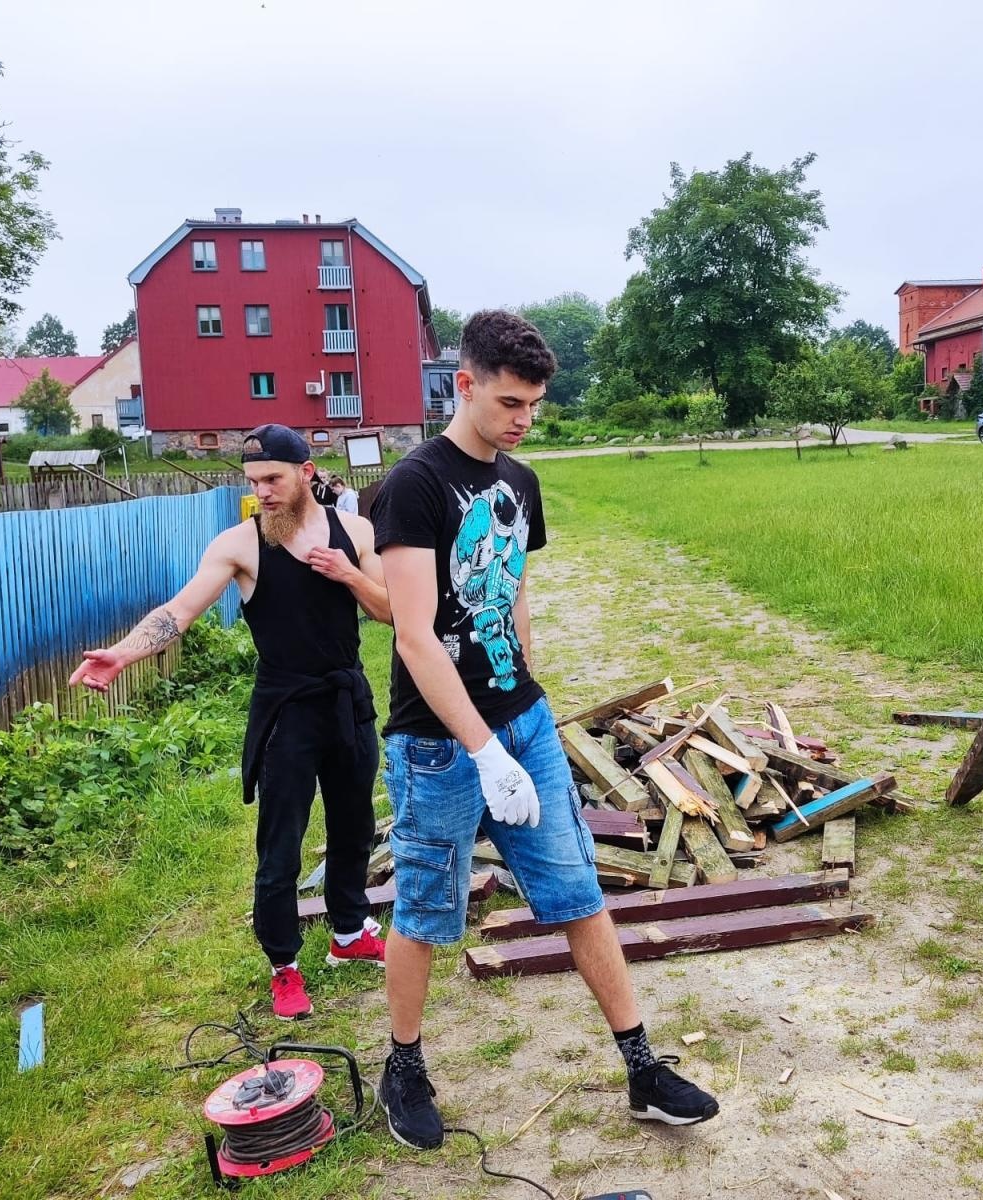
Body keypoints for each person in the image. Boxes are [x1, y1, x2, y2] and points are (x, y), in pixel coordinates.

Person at [371, 310, 719, 1150]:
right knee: (425, 911)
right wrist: (483, 752)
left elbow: (515, 584)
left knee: (577, 895)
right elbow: (414, 637)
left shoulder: (520, 482)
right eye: (510, 401)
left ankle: (641, 1067)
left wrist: (523, 677)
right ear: (465, 384)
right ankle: (404, 1066)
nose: (524, 418)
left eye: (534, 404)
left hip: (521, 723)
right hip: (437, 747)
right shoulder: (412, 486)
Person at [69, 424, 392, 1018]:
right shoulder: (239, 545)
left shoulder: (358, 532)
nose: (262, 492)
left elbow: (392, 609)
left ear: (306, 473)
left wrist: (348, 573)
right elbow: (180, 611)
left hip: (348, 704)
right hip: (286, 713)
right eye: (252, 481)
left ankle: (349, 933)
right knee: (280, 847)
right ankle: (284, 966)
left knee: (354, 826)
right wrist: (122, 653)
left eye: (272, 479)